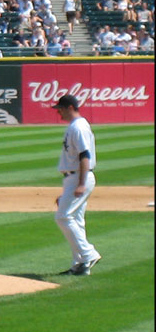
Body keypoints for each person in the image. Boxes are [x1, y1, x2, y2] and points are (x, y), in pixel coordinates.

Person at [52, 95, 101, 276]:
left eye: (60, 108)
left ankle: (88, 254)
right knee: (77, 221)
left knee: (63, 217)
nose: (58, 112)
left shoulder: (78, 127)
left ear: (70, 107)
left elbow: (84, 155)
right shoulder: (75, 127)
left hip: (80, 177)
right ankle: (79, 265)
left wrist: (80, 184)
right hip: (74, 178)